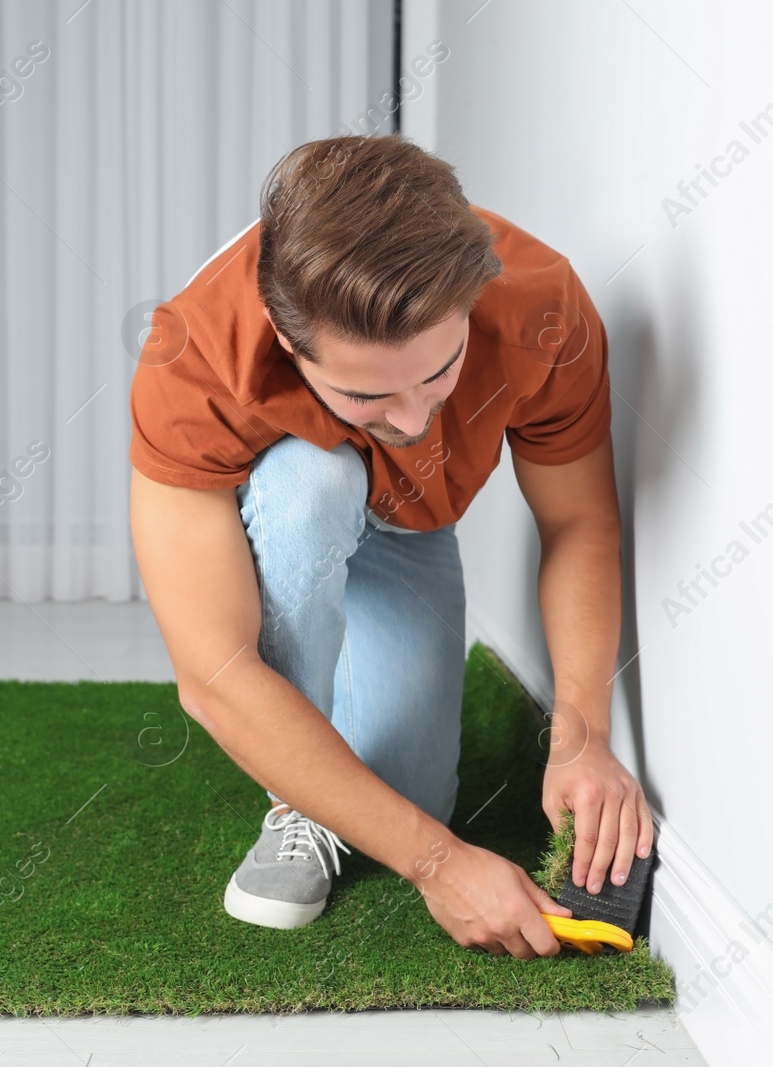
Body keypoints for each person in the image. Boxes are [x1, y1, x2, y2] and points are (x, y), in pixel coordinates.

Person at [127, 133, 653, 960]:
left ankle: (335, 784)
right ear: (287, 342)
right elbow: (213, 674)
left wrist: (583, 734)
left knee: (407, 798)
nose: (413, 421)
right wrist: (437, 864)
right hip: (295, 506)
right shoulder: (196, 357)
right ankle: (295, 802)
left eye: (438, 372)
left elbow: (577, 523)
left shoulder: (543, 306)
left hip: (411, 527)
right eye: (366, 392)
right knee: (311, 486)